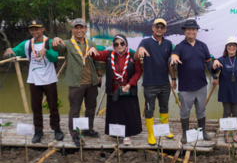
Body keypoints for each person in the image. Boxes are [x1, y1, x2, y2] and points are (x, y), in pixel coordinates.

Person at [3, 20, 63, 144]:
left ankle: (56, 129)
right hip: (34, 80)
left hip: (49, 79)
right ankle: (38, 130)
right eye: (31, 29)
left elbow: (55, 58)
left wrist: (46, 52)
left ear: (43, 29)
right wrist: (9, 50)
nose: (34, 31)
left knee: (53, 106)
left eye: (37, 29)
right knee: (36, 107)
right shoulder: (26, 44)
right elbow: (15, 51)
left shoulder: (51, 42)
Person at [51, 18, 102, 147]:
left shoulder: (91, 43)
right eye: (76, 27)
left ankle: (88, 129)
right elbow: (56, 48)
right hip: (76, 83)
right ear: (72, 29)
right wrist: (55, 40)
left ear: (85, 29)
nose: (79, 30)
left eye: (81, 27)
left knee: (90, 108)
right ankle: (75, 135)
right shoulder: (67, 44)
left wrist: (99, 74)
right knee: (75, 110)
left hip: (92, 82)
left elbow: (96, 60)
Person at [170, 19, 218, 144]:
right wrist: (173, 57)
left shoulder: (203, 46)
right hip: (185, 87)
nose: (191, 31)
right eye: (188, 29)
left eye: (193, 29)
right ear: (185, 31)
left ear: (197, 31)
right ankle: (185, 133)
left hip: (201, 85)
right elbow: (174, 55)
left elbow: (208, 64)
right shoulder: (180, 47)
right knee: (185, 111)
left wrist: (214, 76)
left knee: (201, 110)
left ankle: (202, 132)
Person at [88, 34, 142, 145]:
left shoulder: (132, 56)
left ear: (126, 44)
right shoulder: (108, 55)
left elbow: (138, 72)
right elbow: (95, 56)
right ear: (113, 45)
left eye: (122, 43)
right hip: (114, 89)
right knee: (115, 112)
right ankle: (116, 133)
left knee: (128, 112)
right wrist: (91, 48)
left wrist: (130, 84)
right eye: (116, 44)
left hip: (128, 88)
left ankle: (127, 134)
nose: (119, 46)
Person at [134, 18, 176, 146]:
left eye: (162, 27)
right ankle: (151, 134)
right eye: (157, 26)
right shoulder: (145, 42)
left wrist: (173, 78)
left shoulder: (168, 44)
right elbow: (135, 56)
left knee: (164, 107)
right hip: (150, 83)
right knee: (149, 109)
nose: (159, 29)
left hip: (164, 83)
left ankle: (164, 130)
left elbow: (170, 63)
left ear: (165, 29)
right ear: (152, 28)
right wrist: (139, 51)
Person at [213, 36, 237, 143]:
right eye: (229, 45)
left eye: (234, 45)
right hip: (226, 90)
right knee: (226, 111)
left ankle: (234, 131)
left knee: (236, 112)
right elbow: (215, 69)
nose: (231, 47)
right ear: (226, 47)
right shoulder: (222, 59)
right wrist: (215, 64)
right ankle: (226, 131)